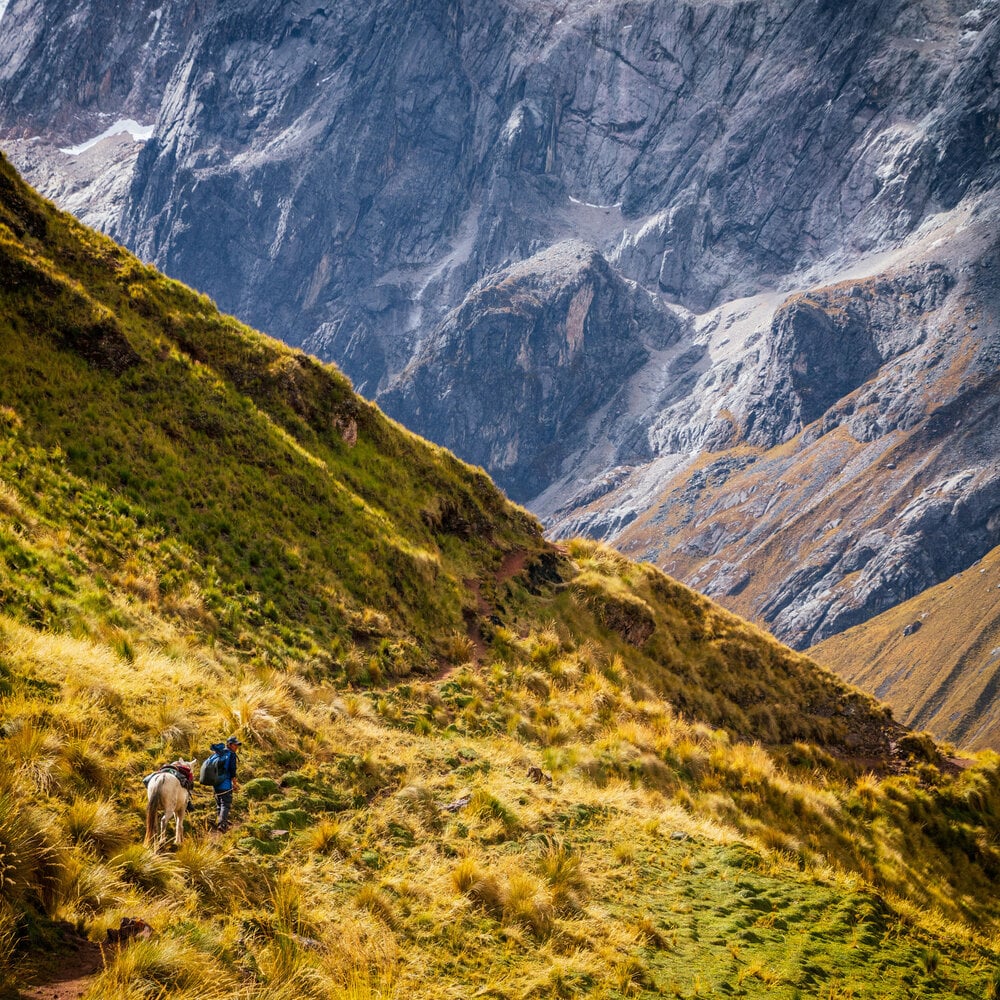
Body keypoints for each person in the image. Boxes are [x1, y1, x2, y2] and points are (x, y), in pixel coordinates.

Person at [210, 735, 242, 832]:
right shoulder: (230, 754)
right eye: (234, 745)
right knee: (226, 803)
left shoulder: (219, 753)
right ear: (229, 744)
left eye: (237, 745)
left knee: (219, 803)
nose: (236, 747)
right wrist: (234, 784)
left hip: (215, 783)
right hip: (225, 784)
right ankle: (222, 824)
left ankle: (221, 820)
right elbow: (232, 770)